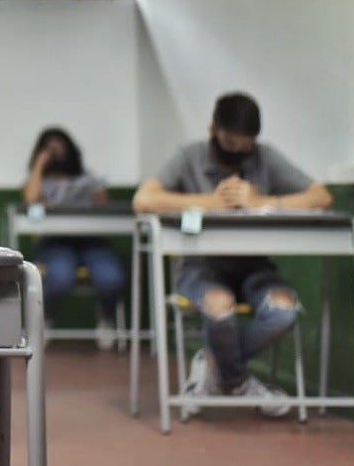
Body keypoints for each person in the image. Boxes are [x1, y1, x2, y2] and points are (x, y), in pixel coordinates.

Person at [133, 92, 333, 417]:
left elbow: (321, 197)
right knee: (219, 307)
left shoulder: (266, 158)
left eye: (246, 145)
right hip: (201, 269)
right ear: (214, 129)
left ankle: (214, 365)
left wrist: (263, 203)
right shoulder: (190, 156)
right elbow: (144, 200)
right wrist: (207, 203)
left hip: (254, 269)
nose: (238, 150)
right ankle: (238, 381)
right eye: (230, 141)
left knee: (284, 311)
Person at [22, 127, 126, 350]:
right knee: (59, 278)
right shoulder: (41, 181)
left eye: (60, 147)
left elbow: (104, 206)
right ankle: (44, 319)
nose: (57, 153)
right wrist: (40, 164)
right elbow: (30, 199)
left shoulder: (87, 178)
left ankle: (106, 319)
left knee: (111, 278)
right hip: (56, 242)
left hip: (92, 241)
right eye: (50, 149)